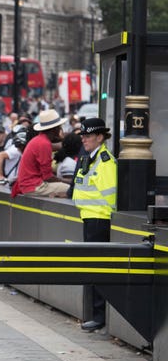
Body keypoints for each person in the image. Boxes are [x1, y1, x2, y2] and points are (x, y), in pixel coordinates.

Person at [72, 118, 117, 332]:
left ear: (100, 137)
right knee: (92, 267)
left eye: (88, 136)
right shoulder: (89, 158)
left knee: (98, 268)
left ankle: (99, 316)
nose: (84, 139)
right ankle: (95, 314)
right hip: (89, 218)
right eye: (82, 136)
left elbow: (111, 197)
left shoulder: (105, 161)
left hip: (100, 220)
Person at [11, 109, 70, 198]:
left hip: (28, 185)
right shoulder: (44, 144)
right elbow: (48, 177)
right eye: (59, 127)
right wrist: (67, 181)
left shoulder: (39, 140)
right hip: (33, 186)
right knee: (70, 189)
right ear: (55, 129)